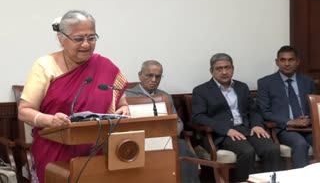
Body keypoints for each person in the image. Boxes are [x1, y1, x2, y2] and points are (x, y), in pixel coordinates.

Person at [18, 10, 130, 183]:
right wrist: (49, 120)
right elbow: (24, 111)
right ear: (61, 38)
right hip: (55, 154)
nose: (86, 45)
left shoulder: (104, 65)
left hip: (98, 154)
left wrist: (124, 107)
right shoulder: (45, 66)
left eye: (91, 38)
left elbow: (119, 99)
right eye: (78, 39)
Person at [192, 53, 280, 182]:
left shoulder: (241, 87)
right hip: (222, 133)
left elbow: (254, 110)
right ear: (211, 71)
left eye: (228, 68)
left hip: (246, 129)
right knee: (247, 151)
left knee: (271, 149)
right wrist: (226, 130)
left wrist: (257, 125)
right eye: (219, 69)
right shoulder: (201, 90)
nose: (224, 72)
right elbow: (198, 117)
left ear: (232, 68)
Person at [126, 60, 200, 183]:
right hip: (140, 140)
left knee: (185, 151)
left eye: (158, 76)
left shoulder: (165, 96)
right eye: (149, 75)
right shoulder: (126, 96)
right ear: (140, 75)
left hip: (166, 138)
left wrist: (172, 133)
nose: (154, 80)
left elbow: (178, 121)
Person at [257, 45, 316, 168]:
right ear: (277, 62)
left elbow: (314, 106)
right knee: (300, 144)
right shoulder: (265, 82)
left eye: (291, 60)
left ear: (297, 62)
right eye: (283, 60)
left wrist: (310, 119)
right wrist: (290, 121)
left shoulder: (307, 81)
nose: (287, 63)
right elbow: (264, 111)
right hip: (284, 128)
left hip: (308, 126)